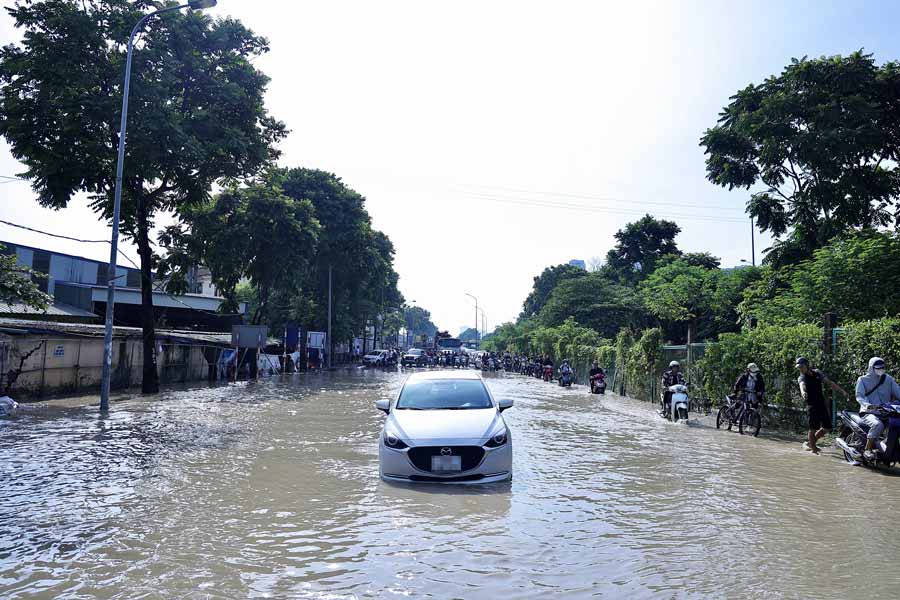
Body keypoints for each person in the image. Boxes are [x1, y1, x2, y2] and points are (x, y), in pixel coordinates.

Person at [796, 357, 848, 454]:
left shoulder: (817, 373)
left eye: (802, 367)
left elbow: (829, 383)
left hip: (821, 404)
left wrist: (842, 391)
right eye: (799, 368)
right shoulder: (802, 377)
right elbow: (801, 385)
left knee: (827, 427)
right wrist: (803, 392)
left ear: (807, 365)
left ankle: (810, 443)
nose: (801, 369)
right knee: (813, 428)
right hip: (811, 406)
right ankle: (814, 450)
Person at [854, 357, 900, 461]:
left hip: (886, 411)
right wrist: (867, 405)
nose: (881, 370)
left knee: (895, 425)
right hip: (869, 412)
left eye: (882, 368)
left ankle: (888, 447)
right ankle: (868, 449)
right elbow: (859, 396)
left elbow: (898, 392)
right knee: (877, 425)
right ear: (871, 368)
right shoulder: (862, 380)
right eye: (878, 368)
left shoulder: (888, 379)